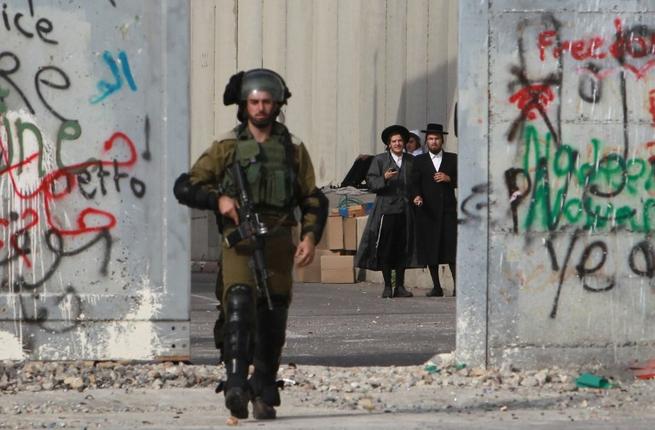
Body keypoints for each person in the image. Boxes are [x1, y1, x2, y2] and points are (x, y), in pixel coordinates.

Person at [173, 68, 328, 420]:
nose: (260, 108)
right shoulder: (227, 146)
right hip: (239, 241)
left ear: (277, 105)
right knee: (239, 306)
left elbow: (312, 197)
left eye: (267, 102)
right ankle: (236, 382)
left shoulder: (292, 148)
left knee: (273, 312)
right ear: (244, 106)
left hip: (277, 240)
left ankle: (265, 382)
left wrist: (309, 236)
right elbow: (186, 186)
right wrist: (220, 201)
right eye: (254, 102)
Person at [355, 125, 419, 298]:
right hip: (386, 210)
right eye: (394, 141)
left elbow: (415, 184)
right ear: (389, 144)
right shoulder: (380, 160)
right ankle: (387, 286)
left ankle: (400, 286)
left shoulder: (411, 161)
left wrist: (416, 196)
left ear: (404, 143)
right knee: (385, 248)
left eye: (400, 141)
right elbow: (371, 182)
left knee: (403, 248)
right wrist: (384, 178)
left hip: (405, 209)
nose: (397, 144)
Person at [411, 123, 457, 297]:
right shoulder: (419, 161)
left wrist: (449, 178)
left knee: (451, 249)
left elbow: (462, 180)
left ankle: (457, 286)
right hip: (427, 212)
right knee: (431, 249)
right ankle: (436, 286)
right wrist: (416, 196)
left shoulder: (452, 159)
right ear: (426, 141)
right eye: (430, 139)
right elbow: (414, 183)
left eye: (437, 138)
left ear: (442, 140)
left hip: (448, 210)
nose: (434, 141)